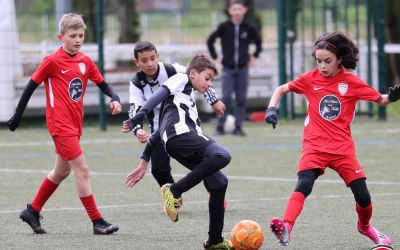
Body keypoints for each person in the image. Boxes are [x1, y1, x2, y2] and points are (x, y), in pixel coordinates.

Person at [265, 31, 399, 247]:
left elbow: (380, 99)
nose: (322, 66)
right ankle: (286, 226)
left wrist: (392, 97)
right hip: (314, 146)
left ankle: (365, 227)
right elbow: (281, 89)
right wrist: (271, 108)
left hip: (342, 149)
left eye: (327, 61)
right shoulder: (310, 79)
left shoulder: (351, 82)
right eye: (318, 61)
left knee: (363, 196)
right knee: (304, 183)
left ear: (339, 60)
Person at [7, 13, 121, 235]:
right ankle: (97, 221)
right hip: (60, 126)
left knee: (61, 172)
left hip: (75, 125)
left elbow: (104, 84)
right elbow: (30, 87)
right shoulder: (51, 61)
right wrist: (17, 116)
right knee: (82, 169)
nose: (78, 40)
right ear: (61, 37)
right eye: (73, 36)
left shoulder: (85, 62)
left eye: (81, 35)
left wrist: (114, 98)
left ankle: (32, 211)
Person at [122, 54, 233, 249]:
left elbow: (157, 133)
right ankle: (174, 190)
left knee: (220, 182)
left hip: (175, 143)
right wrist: (137, 117)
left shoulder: (183, 99)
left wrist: (144, 159)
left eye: (211, 81)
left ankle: (214, 240)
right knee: (222, 155)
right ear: (192, 73)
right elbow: (158, 95)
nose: (208, 84)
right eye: (207, 78)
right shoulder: (181, 78)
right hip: (181, 137)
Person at [128, 41, 225, 188]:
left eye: (153, 58)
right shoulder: (136, 83)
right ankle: (173, 198)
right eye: (144, 60)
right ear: (137, 62)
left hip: (183, 124)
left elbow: (201, 75)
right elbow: (136, 106)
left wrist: (214, 101)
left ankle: (214, 189)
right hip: (159, 130)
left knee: (202, 162)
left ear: (158, 56)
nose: (149, 64)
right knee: (158, 169)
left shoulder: (173, 70)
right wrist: (138, 129)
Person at [207, 0, 262, 136]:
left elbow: (259, 41)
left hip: (243, 68)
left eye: (239, 9)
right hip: (228, 68)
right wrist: (215, 56)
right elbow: (210, 40)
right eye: (234, 9)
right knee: (226, 97)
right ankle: (220, 126)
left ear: (244, 10)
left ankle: (238, 127)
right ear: (230, 11)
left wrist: (254, 55)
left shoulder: (248, 27)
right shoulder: (224, 27)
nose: (237, 11)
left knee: (241, 98)